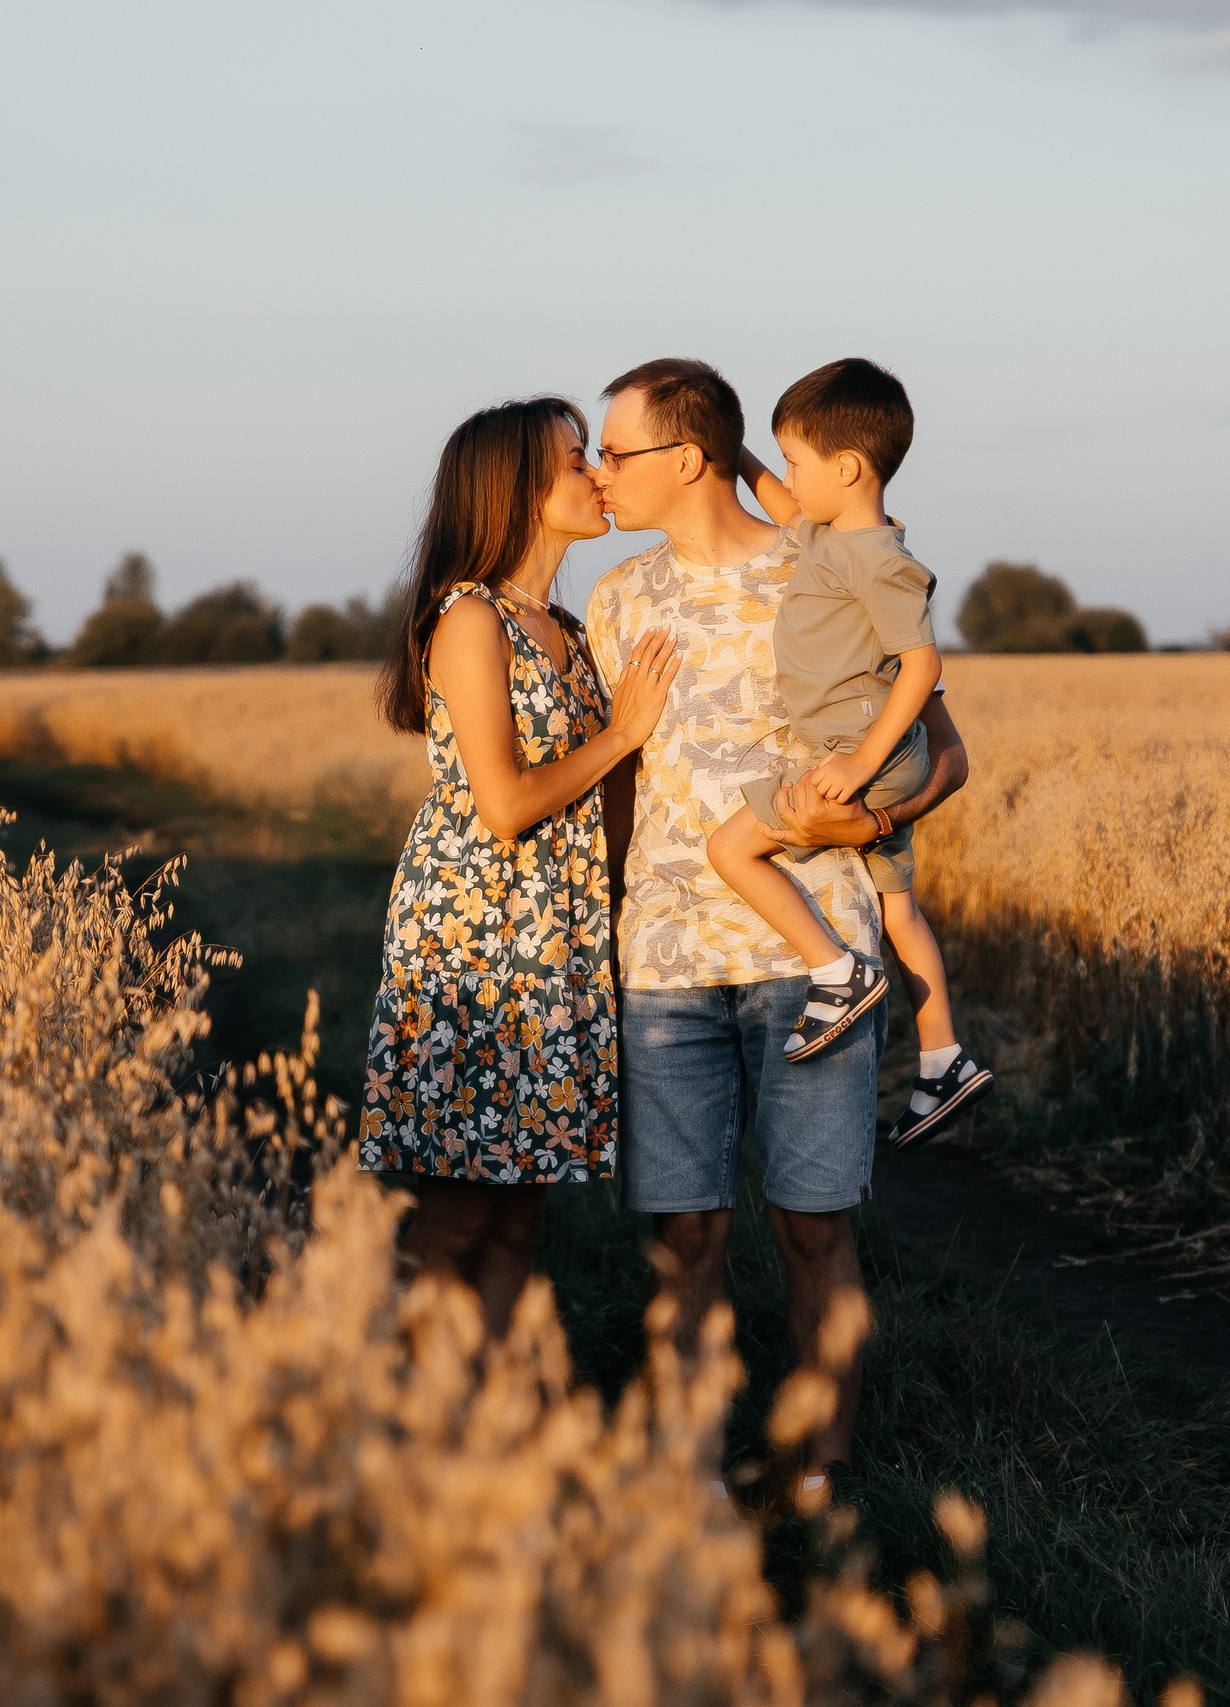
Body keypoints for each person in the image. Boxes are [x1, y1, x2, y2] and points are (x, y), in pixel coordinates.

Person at [585, 357, 970, 1499]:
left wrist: (868, 806)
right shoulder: (617, 602)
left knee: (813, 1228)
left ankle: (827, 1470)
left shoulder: (825, 566)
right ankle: (692, 1467)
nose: (601, 471)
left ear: (687, 458)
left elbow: (945, 754)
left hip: (819, 963)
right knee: (684, 1236)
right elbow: (617, 790)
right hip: (662, 963)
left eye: (618, 450)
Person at [360, 395, 678, 1340]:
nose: (598, 472)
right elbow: (501, 804)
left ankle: (485, 1438)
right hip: (475, 942)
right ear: (516, 490)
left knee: (521, 1214)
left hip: (554, 942)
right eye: (577, 459)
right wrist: (623, 733)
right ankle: (407, 1422)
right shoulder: (472, 620)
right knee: (456, 1212)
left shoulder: (571, 633)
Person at [710, 357, 993, 1145]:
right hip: (868, 750)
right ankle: (943, 1059)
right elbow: (775, 499)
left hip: (855, 750)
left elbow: (923, 665)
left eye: (797, 462)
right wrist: (734, 451)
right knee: (900, 908)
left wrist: (857, 767)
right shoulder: (836, 534)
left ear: (847, 467)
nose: (789, 480)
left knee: (730, 847)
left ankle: (836, 971)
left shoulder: (878, 559)